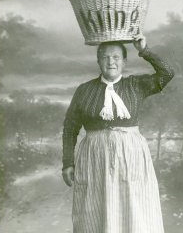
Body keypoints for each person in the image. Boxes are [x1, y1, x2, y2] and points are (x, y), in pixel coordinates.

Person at [62, 33, 174, 233]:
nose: (110, 61)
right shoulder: (84, 90)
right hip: (94, 158)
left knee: (134, 208)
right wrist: (68, 163)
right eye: (105, 57)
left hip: (130, 156)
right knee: (94, 211)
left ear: (124, 61)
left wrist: (144, 51)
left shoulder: (136, 85)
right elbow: (70, 128)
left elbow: (167, 73)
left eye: (115, 57)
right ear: (98, 61)